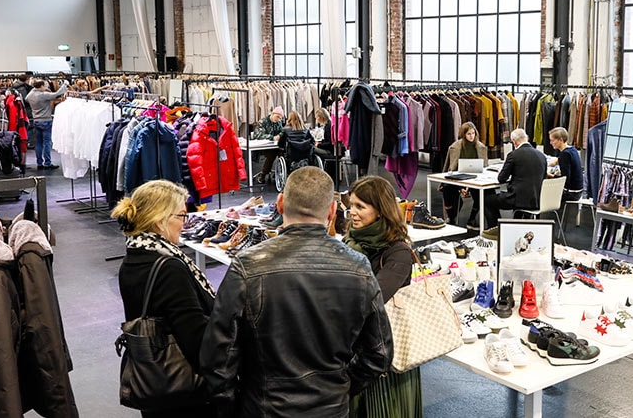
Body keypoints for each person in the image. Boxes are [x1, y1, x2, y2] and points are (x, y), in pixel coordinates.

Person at [200, 167, 392, 417]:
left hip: (263, 407)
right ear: (332, 211)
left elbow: (218, 356)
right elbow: (379, 354)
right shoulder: (358, 267)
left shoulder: (248, 266)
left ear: (280, 204)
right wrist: (340, 389)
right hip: (330, 408)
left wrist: (235, 405)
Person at [112, 180, 217, 418]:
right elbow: (195, 339)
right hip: (185, 393)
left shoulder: (132, 259)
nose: (185, 222)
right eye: (181, 215)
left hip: (155, 384)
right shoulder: (169, 268)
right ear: (160, 221)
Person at [344, 176, 422, 418]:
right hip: (353, 347)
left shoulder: (398, 252)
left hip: (385, 353)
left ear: (380, 210)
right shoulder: (351, 240)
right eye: (351, 205)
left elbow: (371, 299)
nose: (352, 212)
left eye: (360, 206)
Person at [482, 128, 547, 239]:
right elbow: (543, 178)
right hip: (537, 199)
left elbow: (501, 179)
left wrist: (503, 171)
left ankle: (495, 230)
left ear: (514, 142)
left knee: (487, 200)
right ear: (527, 138)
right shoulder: (542, 156)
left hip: (518, 199)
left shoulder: (513, 155)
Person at [441, 121, 488, 229]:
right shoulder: (455, 147)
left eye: (473, 133)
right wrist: (461, 187)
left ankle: (472, 218)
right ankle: (451, 217)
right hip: (457, 178)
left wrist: (468, 186)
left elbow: (483, 167)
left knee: (481, 193)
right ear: (463, 134)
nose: (472, 136)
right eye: (469, 134)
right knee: (446, 188)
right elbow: (450, 167)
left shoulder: (481, 147)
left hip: (476, 179)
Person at [25, 79, 69, 170]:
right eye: (44, 86)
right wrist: (65, 84)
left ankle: (39, 163)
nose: (45, 87)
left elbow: (26, 99)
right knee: (47, 143)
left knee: (38, 143)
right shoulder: (43, 95)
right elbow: (57, 94)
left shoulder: (30, 95)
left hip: (36, 120)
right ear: (41, 86)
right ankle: (47, 163)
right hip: (46, 120)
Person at [547, 126, 584, 202]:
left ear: (560, 140)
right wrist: (558, 160)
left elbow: (564, 179)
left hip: (571, 193)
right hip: (578, 191)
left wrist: (549, 175)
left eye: (552, 140)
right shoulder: (572, 149)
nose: (550, 143)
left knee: (542, 194)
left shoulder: (565, 154)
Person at [251, 106, 285, 184]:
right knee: (272, 154)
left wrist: (279, 136)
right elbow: (258, 134)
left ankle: (280, 172)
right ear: (272, 114)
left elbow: (282, 132)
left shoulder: (278, 122)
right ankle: (263, 174)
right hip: (263, 146)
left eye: (280, 118)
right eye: (277, 117)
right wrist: (272, 137)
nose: (278, 119)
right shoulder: (263, 122)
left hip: (274, 146)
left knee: (284, 152)